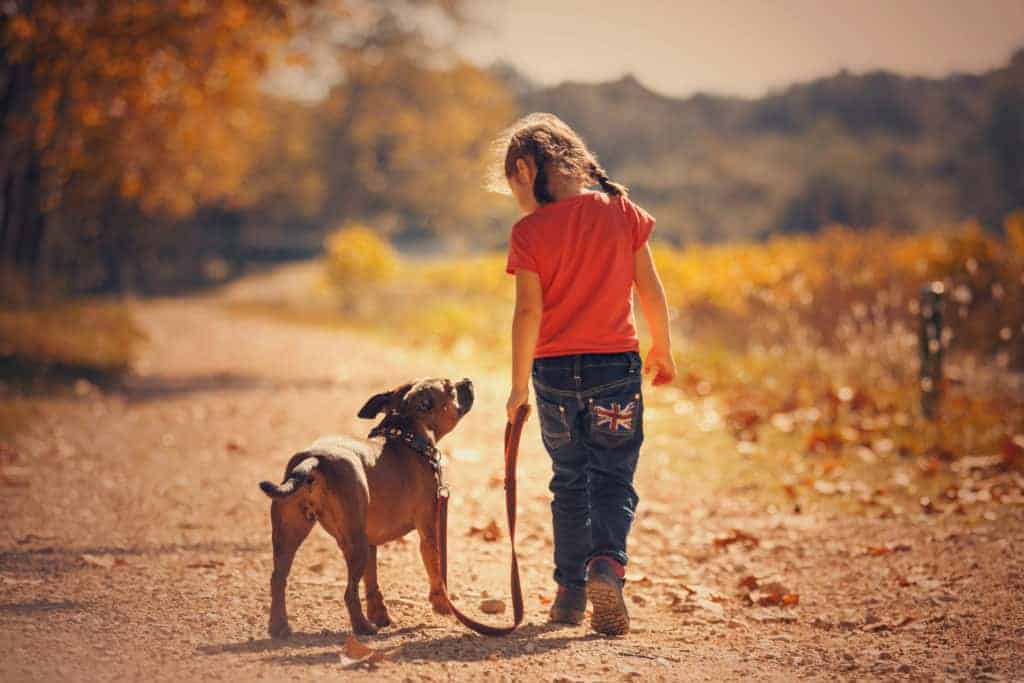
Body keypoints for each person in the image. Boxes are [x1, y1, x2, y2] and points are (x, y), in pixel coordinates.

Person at [498, 113, 676, 636]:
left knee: (569, 481)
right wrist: (661, 348)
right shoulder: (621, 212)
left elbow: (527, 313)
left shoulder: (528, 231)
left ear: (527, 170)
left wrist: (515, 387)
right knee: (612, 475)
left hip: (551, 375)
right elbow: (650, 290)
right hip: (614, 369)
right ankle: (607, 567)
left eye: (514, 185)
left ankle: (569, 594)